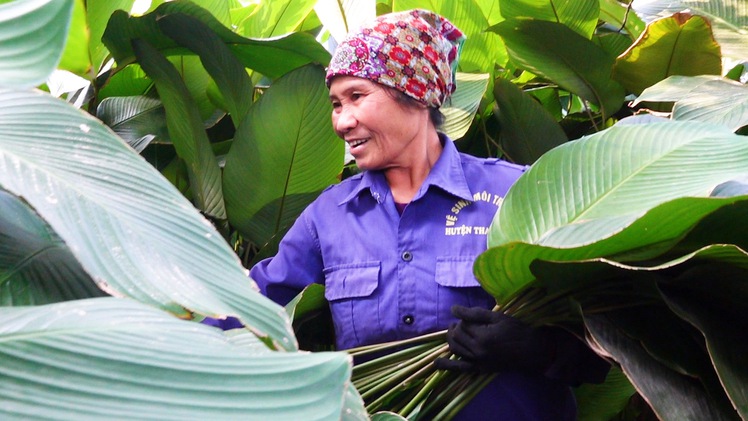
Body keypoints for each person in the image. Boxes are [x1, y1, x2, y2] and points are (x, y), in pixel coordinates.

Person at [248, 9, 609, 420]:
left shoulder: (516, 192)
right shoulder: (329, 217)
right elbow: (246, 308)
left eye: (357, 97)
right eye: (335, 103)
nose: (342, 121)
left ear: (415, 94)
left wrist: (540, 348)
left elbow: (612, 333)